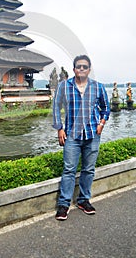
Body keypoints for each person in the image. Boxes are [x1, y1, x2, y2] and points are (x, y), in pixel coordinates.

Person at [53, 54, 110, 220]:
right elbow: (56, 108)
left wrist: (101, 124)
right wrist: (59, 129)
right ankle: (63, 204)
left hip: (93, 134)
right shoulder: (64, 86)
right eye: (79, 66)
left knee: (88, 169)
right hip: (71, 135)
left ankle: (83, 200)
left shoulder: (98, 87)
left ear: (89, 69)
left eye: (85, 66)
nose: (82, 69)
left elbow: (106, 108)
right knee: (69, 169)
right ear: (74, 69)